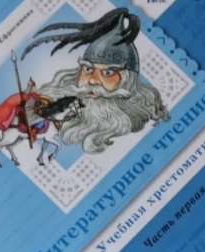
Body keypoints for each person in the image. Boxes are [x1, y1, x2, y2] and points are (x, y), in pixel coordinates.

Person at [21, 8, 169, 154]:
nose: (92, 80)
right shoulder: (52, 106)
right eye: (87, 69)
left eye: (108, 73)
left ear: (127, 81)